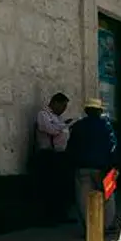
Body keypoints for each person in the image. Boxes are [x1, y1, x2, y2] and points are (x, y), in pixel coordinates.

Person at [66, 98, 118, 234]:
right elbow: (113, 145)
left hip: (82, 167)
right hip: (104, 167)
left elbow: (71, 147)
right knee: (108, 197)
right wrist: (114, 165)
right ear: (100, 111)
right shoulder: (106, 125)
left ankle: (90, 228)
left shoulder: (77, 126)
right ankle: (106, 226)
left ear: (86, 111)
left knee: (83, 200)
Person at [34, 92, 73, 224]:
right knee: (49, 186)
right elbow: (51, 130)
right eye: (62, 106)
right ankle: (48, 217)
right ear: (55, 103)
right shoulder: (43, 115)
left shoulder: (58, 118)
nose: (63, 110)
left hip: (60, 155)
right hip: (47, 155)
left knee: (61, 187)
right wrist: (63, 127)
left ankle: (61, 214)